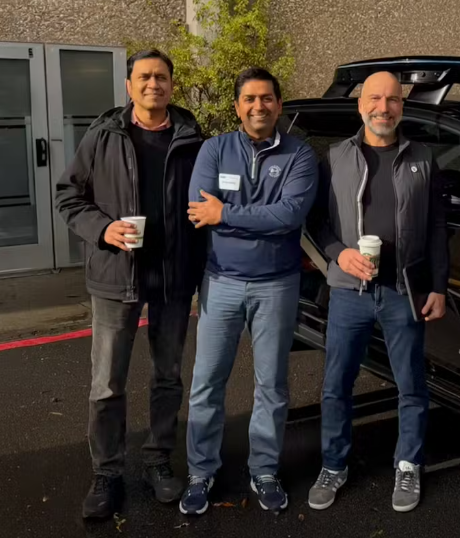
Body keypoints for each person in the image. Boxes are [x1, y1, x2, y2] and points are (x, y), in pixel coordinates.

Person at [55, 49, 205, 519]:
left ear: (172, 86)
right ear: (129, 85)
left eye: (161, 77)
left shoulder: (193, 139)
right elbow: (67, 195)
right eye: (144, 77)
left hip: (173, 278)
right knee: (107, 383)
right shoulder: (103, 135)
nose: (152, 84)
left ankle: (158, 459)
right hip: (115, 276)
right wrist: (103, 229)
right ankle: (107, 472)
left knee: (168, 377)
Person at [306, 71, 448, 513]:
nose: (383, 108)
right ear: (360, 105)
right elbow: (315, 222)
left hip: (403, 291)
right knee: (336, 384)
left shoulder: (422, 157)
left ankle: (408, 463)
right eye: (374, 99)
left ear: (402, 106)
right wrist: (339, 254)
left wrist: (438, 286)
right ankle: (334, 464)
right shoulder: (335, 157)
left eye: (392, 100)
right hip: (349, 292)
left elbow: (437, 228)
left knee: (411, 384)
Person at [179, 67, 318, 516]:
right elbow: (199, 210)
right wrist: (250, 215)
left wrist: (227, 214)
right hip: (220, 281)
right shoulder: (215, 149)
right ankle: (200, 471)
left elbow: (289, 215)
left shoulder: (300, 154)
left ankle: (264, 470)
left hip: (277, 284)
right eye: (250, 99)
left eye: (267, 98)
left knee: (271, 385)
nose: (259, 106)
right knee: (206, 382)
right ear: (238, 107)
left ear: (279, 105)